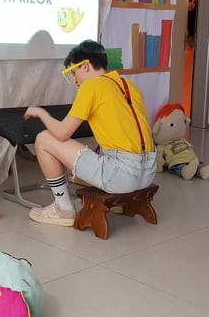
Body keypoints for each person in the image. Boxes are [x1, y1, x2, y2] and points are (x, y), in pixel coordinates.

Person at [23, 40, 156, 226]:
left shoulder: (91, 86)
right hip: (148, 172)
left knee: (43, 139)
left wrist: (41, 113)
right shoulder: (128, 85)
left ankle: (63, 208)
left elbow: (61, 133)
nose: (75, 81)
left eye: (74, 73)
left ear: (85, 66)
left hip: (121, 176)